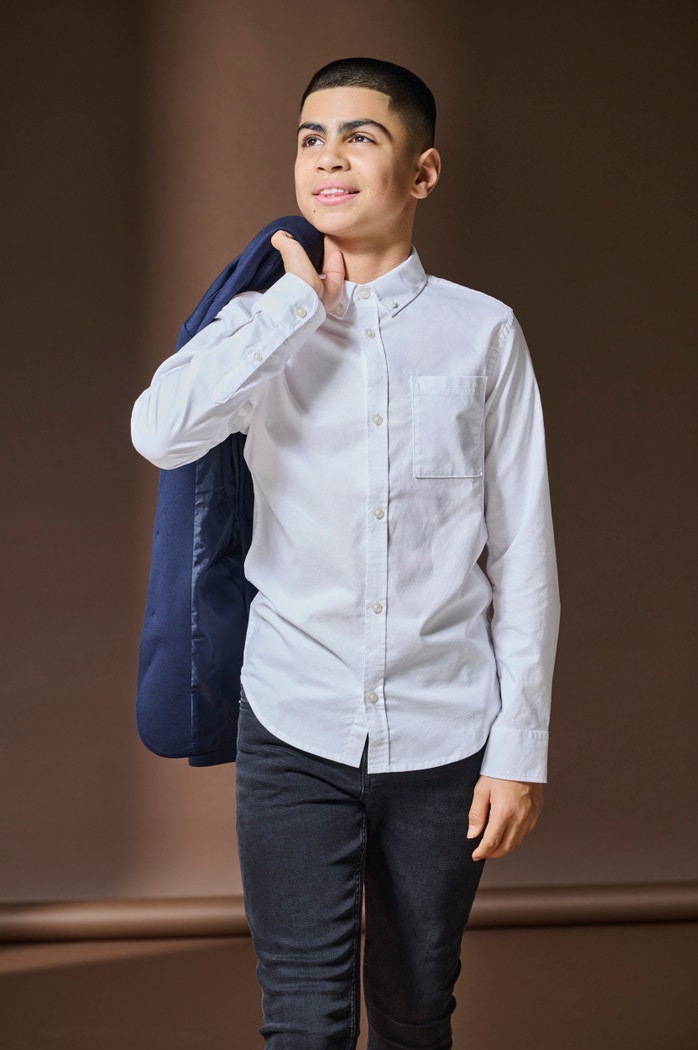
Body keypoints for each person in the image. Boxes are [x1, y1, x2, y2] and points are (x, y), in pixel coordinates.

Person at [132, 57, 559, 1050]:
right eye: (310, 139)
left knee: (416, 1007)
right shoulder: (259, 325)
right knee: (303, 1019)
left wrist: (519, 750)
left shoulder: (483, 333)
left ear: (423, 171)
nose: (328, 158)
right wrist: (293, 310)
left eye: (360, 137)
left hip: (448, 730)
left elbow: (524, 553)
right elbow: (159, 432)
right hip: (294, 719)